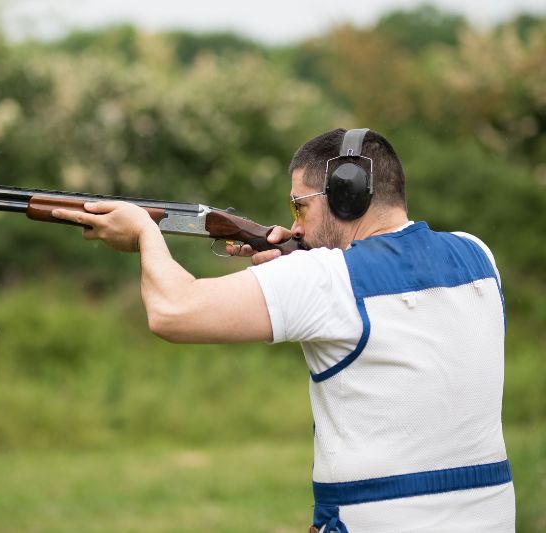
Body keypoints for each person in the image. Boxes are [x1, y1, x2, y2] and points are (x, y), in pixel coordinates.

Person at [52, 128, 515, 532]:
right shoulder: (477, 255)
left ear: (346, 195)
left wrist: (144, 233)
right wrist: (297, 262)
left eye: (299, 206)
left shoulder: (325, 278)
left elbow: (172, 311)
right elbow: (387, 275)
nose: (294, 224)